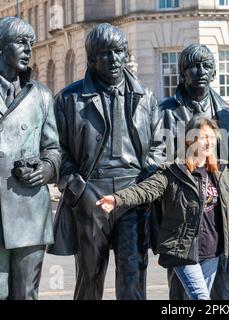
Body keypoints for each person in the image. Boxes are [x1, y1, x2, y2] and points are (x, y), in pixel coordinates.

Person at [97, 115, 229, 300]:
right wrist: (116, 199)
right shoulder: (172, 173)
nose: (208, 142)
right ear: (191, 139)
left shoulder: (220, 173)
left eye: (211, 137)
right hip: (184, 251)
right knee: (201, 297)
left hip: (212, 251)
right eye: (203, 137)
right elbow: (144, 190)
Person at [47, 23, 165, 300]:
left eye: (119, 52)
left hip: (133, 193)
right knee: (90, 276)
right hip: (91, 192)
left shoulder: (146, 98)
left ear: (126, 54)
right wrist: (76, 186)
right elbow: (56, 149)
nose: (113, 59)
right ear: (91, 59)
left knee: (133, 273)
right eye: (105, 53)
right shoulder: (68, 99)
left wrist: (146, 185)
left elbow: (158, 147)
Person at [157, 44, 229, 300]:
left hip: (220, 217)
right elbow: (159, 162)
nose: (200, 71)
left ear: (215, 71)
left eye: (206, 66)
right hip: (183, 218)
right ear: (182, 73)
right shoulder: (165, 113)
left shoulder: (227, 113)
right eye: (193, 66)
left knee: (222, 289)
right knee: (183, 290)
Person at [0, 17, 60, 300]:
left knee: (25, 295)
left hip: (28, 210)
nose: (28, 49)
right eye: (20, 43)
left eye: (31, 44)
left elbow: (54, 149)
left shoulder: (41, 96)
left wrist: (47, 169)